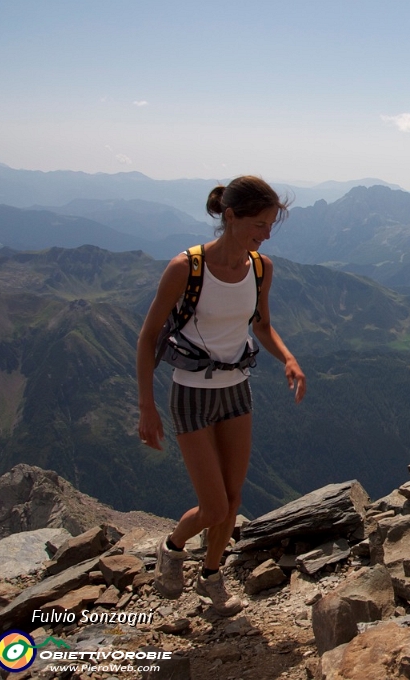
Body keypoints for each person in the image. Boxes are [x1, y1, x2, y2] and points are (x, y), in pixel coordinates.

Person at [136, 176, 306, 615]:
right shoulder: (185, 268)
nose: (266, 235)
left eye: (270, 226)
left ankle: (212, 577)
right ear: (230, 217)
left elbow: (261, 326)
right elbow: (148, 336)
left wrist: (288, 358)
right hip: (191, 394)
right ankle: (173, 547)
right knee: (212, 506)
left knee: (232, 499)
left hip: (237, 390)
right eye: (260, 224)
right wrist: (146, 407)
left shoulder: (261, 268)